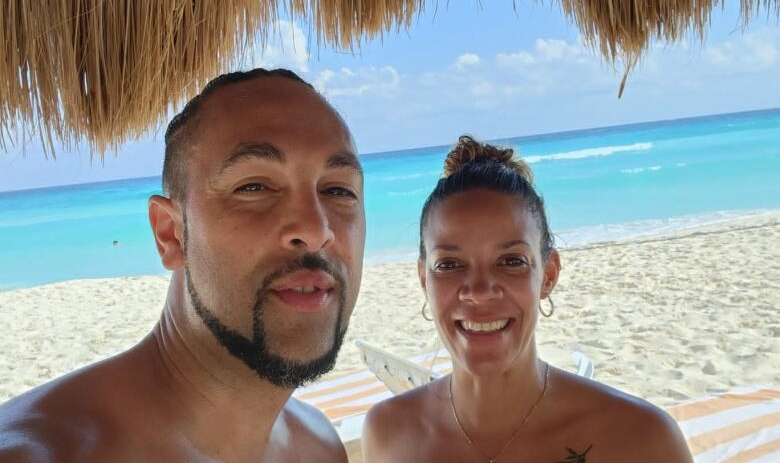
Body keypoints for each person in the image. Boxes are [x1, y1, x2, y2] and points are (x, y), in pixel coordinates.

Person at [0, 68, 365, 462]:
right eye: (254, 187)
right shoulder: (38, 454)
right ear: (171, 234)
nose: (315, 229)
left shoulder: (318, 446)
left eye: (337, 190)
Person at [362, 136, 692, 462]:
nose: (478, 291)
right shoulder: (388, 434)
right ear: (424, 280)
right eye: (449, 265)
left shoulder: (640, 439)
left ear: (547, 276)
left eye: (511, 261)